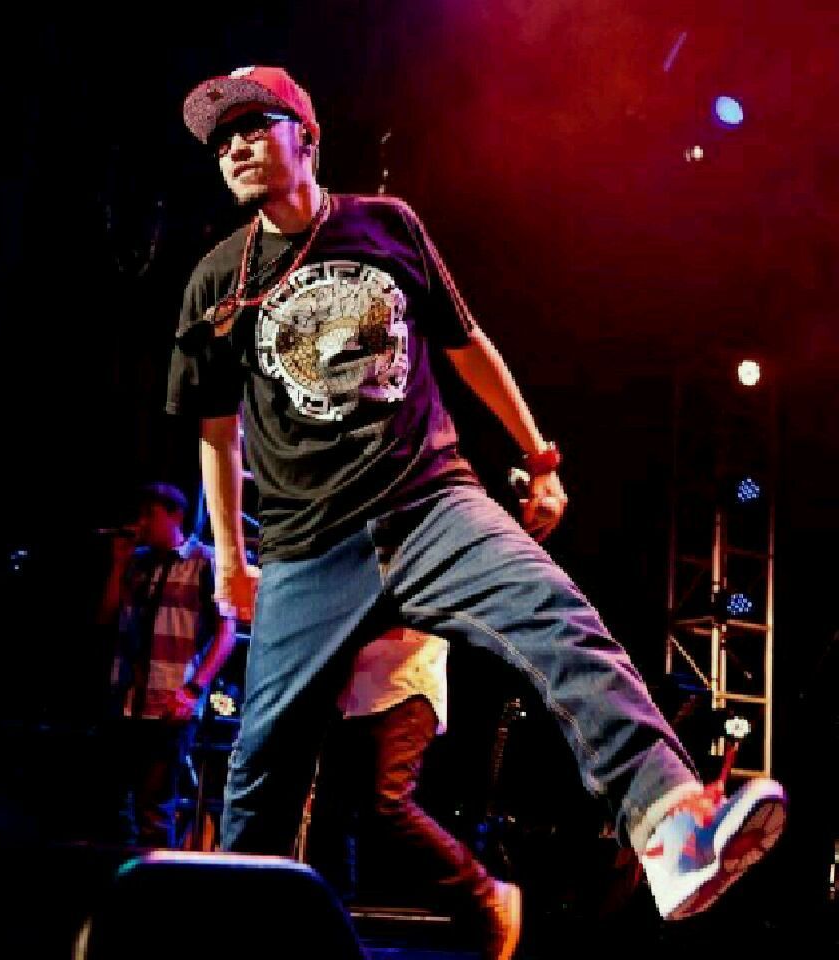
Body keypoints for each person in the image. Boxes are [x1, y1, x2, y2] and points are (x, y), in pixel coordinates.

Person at [165, 65, 786, 956]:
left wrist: (539, 457)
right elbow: (216, 431)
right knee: (261, 769)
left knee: (559, 620)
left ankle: (671, 826)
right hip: (307, 548)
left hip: (431, 504)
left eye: (254, 127)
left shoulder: (387, 225)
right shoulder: (216, 280)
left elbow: (468, 345)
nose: (235, 148)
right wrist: (231, 558)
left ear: (306, 135)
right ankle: (231, 943)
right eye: (222, 140)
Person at [307, 624, 521, 958]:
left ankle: (486, 894)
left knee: (391, 804)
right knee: (330, 813)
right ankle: (331, 928)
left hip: (405, 685)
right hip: (354, 691)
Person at [96, 482, 235, 847]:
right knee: (114, 807)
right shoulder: (137, 563)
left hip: (170, 703)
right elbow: (106, 618)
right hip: (126, 701)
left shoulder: (205, 562)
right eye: (139, 515)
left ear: (175, 516)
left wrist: (193, 689)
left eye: (150, 515)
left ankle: (158, 879)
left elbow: (227, 634)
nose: (141, 523)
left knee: (155, 809)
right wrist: (119, 564)